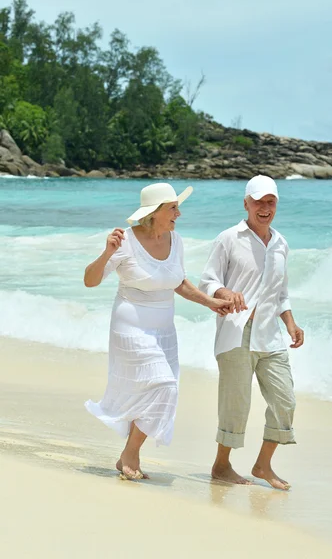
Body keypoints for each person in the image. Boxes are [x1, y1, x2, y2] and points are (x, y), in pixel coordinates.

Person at [84, 182, 231, 480]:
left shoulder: (175, 240)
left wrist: (210, 302)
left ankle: (129, 453)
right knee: (163, 385)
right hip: (131, 327)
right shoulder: (124, 241)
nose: (179, 213)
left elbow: (178, 281)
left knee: (156, 390)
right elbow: (90, 280)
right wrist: (106, 252)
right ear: (154, 213)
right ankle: (131, 453)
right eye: (173, 207)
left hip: (164, 330)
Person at [199, 175, 304, 489]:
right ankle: (221, 466)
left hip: (270, 334)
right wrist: (226, 292)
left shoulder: (281, 243)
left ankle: (262, 465)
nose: (265, 207)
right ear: (246, 203)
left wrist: (291, 323)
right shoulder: (229, 238)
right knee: (236, 404)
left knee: (285, 401)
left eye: (270, 201)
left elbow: (280, 293)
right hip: (236, 331)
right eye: (258, 201)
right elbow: (208, 282)